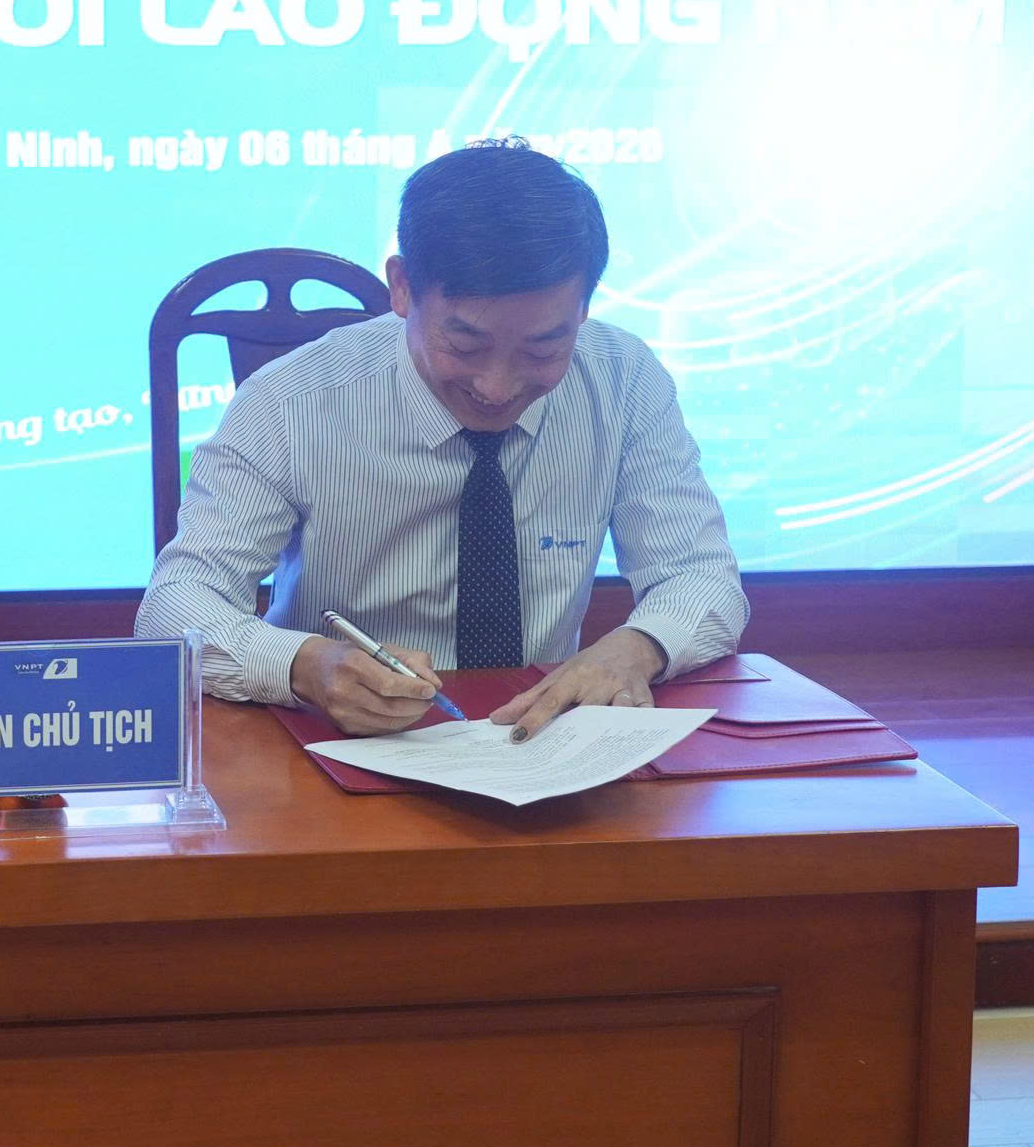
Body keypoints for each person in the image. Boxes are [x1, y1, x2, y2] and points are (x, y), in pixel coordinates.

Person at [135, 139, 746, 741]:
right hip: (340, 747)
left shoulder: (622, 380)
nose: (497, 387)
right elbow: (175, 609)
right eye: (466, 345)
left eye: (542, 349)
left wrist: (636, 648)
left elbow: (701, 577)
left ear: (583, 307)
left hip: (541, 743)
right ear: (402, 287)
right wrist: (304, 666)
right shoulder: (291, 402)